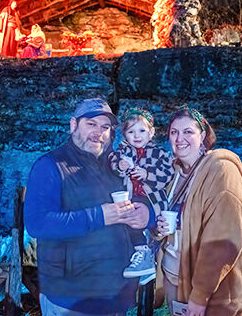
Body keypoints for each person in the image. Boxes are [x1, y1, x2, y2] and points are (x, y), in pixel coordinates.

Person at [24, 98, 154, 315]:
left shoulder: (117, 167)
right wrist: (99, 216)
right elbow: (37, 223)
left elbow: (147, 197)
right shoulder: (50, 166)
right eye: (91, 124)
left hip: (115, 297)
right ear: (73, 124)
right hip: (70, 298)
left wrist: (147, 215)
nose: (98, 133)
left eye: (105, 127)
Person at [155, 106, 242, 316]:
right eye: (174, 132)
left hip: (214, 293)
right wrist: (157, 228)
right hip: (176, 282)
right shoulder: (172, 174)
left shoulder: (221, 171)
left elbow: (223, 239)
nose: (179, 138)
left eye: (188, 132)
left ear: (202, 136)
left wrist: (200, 296)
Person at [108, 107, 173, 281]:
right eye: (131, 132)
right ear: (124, 134)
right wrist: (120, 166)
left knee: (135, 218)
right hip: (130, 196)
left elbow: (167, 174)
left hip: (152, 200)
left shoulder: (159, 153)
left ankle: (145, 254)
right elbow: (112, 162)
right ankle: (142, 258)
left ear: (151, 133)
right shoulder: (123, 151)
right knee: (125, 219)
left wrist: (147, 174)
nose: (137, 136)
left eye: (142, 131)